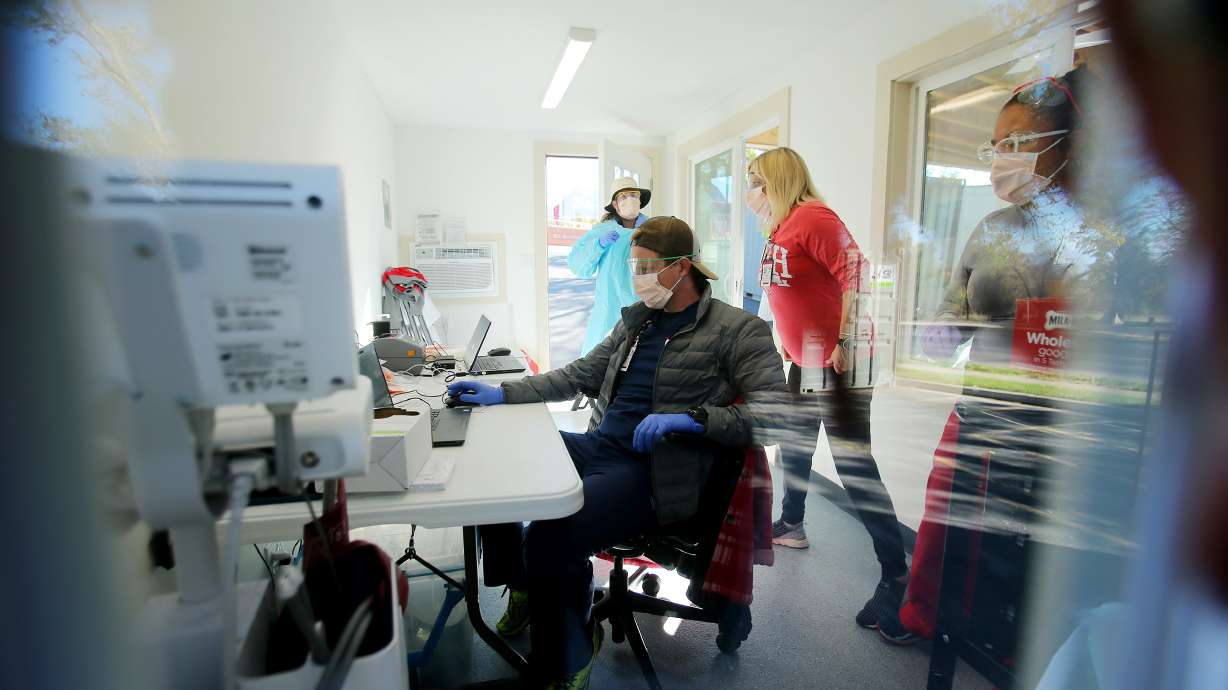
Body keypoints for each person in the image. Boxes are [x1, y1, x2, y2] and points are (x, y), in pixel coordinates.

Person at [448, 216, 785, 689]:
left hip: (656, 472)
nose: (638, 276)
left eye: (647, 267)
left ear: (682, 267)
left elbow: (777, 414)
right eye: (633, 266)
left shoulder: (737, 330)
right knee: (497, 462)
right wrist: (502, 392)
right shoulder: (637, 321)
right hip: (601, 447)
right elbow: (579, 373)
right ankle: (524, 582)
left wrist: (692, 419)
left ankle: (574, 648)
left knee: (551, 536)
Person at [877, 67, 1098, 645]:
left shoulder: (1096, 236)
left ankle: (1007, 649)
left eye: (1019, 144)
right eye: (996, 147)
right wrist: (931, 332)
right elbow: (954, 314)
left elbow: (1079, 346)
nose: (1003, 159)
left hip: (1053, 432)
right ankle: (920, 618)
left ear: (1071, 147)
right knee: (941, 529)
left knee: (1020, 563)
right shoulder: (992, 227)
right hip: (976, 413)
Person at [748, 147, 909, 628]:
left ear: (778, 179)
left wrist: (843, 339)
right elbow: (791, 293)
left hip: (843, 358)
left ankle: (896, 578)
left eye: (757, 179)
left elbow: (863, 277)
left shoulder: (814, 217)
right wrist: (785, 340)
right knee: (795, 447)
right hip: (807, 358)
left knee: (854, 466)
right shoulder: (779, 227)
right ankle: (792, 523)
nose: (750, 189)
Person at [568, 176, 652, 356]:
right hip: (609, 311)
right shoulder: (604, 231)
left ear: (640, 200)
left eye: (633, 195)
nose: (630, 199)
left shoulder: (652, 229)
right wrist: (598, 245)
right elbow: (578, 265)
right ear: (614, 204)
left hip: (643, 309)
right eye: (624, 196)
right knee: (599, 365)